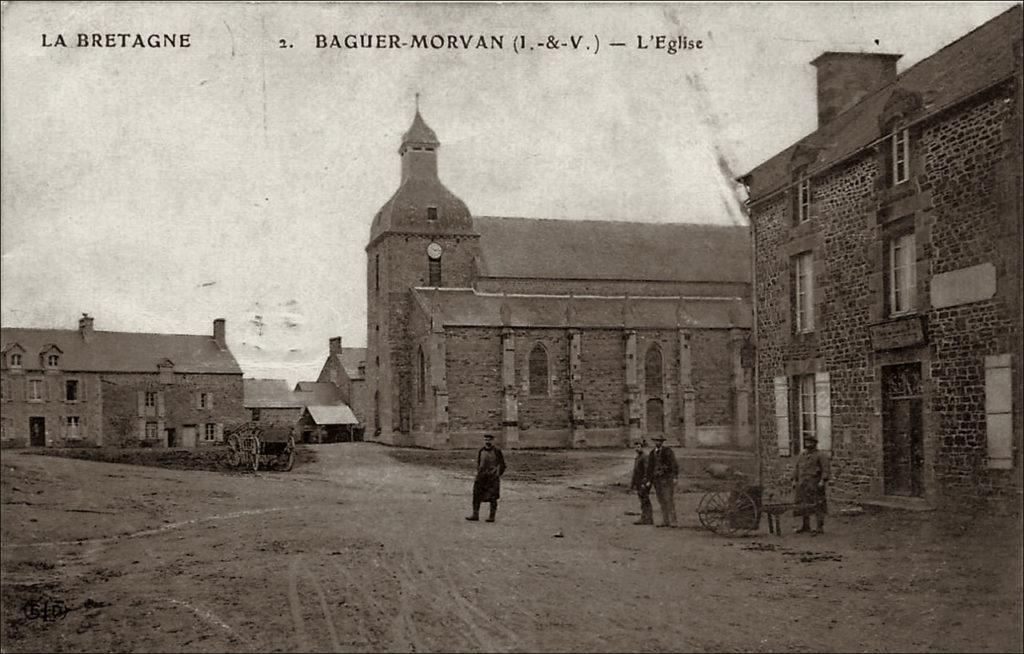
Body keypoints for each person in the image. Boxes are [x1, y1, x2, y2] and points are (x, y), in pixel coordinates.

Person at [793, 435, 830, 534]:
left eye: (810, 442)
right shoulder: (802, 455)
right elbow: (797, 468)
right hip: (803, 484)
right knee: (803, 505)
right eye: (806, 442)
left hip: (815, 484)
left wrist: (823, 481)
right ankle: (806, 526)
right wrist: (794, 480)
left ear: (815, 443)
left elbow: (825, 469)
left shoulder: (821, 455)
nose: (808, 444)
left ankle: (819, 527)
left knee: (818, 505)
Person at [467, 433, 506, 523]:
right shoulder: (481, 450)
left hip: (492, 477)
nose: (487, 441)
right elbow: (479, 463)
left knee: (493, 497)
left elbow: (503, 464)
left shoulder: (497, 451)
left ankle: (492, 516)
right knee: (476, 494)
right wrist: (479, 472)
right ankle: (475, 514)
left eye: (489, 440)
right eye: (486, 440)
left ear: (493, 441)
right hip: (481, 476)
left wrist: (497, 474)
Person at [648, 435, 679, 528]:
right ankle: (665, 521)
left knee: (668, 499)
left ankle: (673, 521)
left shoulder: (668, 451)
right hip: (657, 480)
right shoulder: (652, 453)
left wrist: (674, 477)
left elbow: (674, 464)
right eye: (656, 441)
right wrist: (649, 480)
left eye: (659, 441)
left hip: (666, 479)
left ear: (662, 442)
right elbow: (650, 468)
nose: (657, 442)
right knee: (661, 500)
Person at [629, 439, 653, 525]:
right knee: (642, 501)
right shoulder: (638, 457)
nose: (637, 448)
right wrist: (633, 484)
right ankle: (645, 518)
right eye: (636, 447)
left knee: (645, 500)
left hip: (643, 483)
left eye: (638, 446)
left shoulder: (644, 456)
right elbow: (635, 472)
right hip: (638, 482)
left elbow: (647, 470)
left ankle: (648, 519)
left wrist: (645, 482)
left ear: (642, 447)